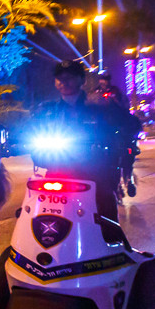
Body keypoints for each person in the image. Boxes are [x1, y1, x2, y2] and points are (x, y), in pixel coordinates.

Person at [27, 59, 127, 224]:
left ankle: (113, 243)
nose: (64, 82)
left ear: (82, 80)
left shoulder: (98, 106)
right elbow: (31, 134)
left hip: (93, 174)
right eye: (60, 78)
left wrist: (112, 108)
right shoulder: (47, 111)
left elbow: (128, 125)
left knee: (106, 212)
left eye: (70, 77)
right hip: (57, 173)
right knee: (40, 216)